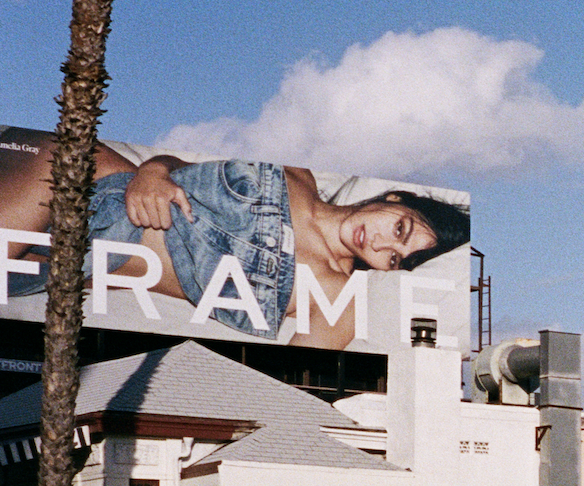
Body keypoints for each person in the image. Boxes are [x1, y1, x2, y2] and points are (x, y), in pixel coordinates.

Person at [0, 128, 471, 348]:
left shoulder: (335, 296)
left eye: (395, 258)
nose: (382, 245)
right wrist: (153, 171)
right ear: (394, 199)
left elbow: (284, 393)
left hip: (60, 265)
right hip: (75, 172)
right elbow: (181, 169)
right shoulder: (297, 172)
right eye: (401, 229)